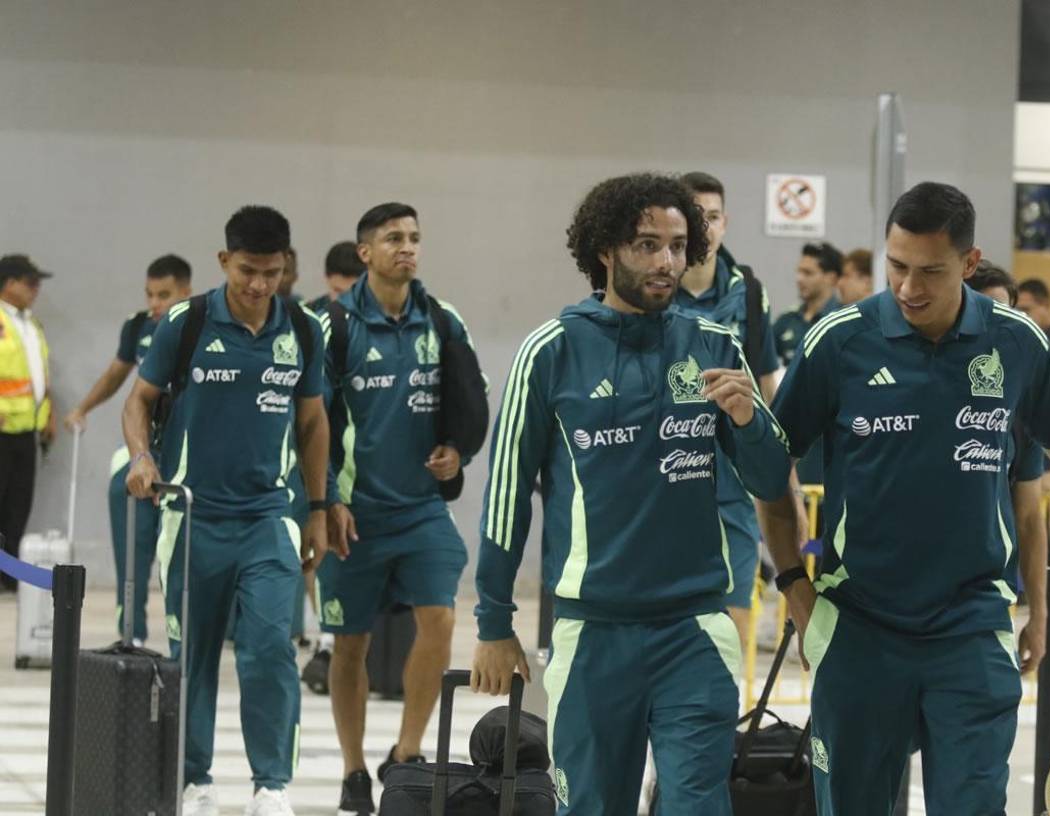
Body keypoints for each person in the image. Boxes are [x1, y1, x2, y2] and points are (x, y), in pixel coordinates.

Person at [759, 181, 1050, 814]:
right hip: (859, 626)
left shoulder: (1016, 342)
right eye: (897, 266)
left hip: (970, 626)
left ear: (968, 262)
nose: (909, 287)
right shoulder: (840, 341)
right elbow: (773, 473)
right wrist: (795, 586)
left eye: (930, 271)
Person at [470, 173, 790, 815]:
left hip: (696, 626)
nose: (666, 261)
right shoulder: (551, 352)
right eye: (647, 244)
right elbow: (507, 495)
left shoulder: (715, 345)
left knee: (698, 804)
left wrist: (750, 421)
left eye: (677, 245)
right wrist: (493, 622)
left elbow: (770, 478)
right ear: (605, 251)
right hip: (593, 632)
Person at [123, 206, 328, 816]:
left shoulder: (304, 329)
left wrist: (316, 508)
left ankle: (271, 784)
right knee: (195, 656)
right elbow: (139, 402)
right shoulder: (185, 323)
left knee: (269, 647)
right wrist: (140, 457)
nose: (260, 285)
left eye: (272, 272)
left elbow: (314, 421)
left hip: (270, 519)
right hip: (191, 519)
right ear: (223, 262)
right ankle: (195, 779)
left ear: (286, 266)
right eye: (247, 271)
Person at [316, 203, 478, 815]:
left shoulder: (441, 319)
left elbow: (468, 402)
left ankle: (406, 756)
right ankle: (354, 769)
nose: (407, 247)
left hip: (420, 512)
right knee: (349, 645)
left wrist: (457, 450)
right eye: (393, 238)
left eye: (414, 237)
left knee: (438, 621)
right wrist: (326, 498)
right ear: (365, 252)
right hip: (351, 514)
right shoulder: (330, 325)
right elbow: (312, 424)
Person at [674, 170, 782, 650]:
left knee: (733, 617)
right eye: (697, 218)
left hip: (733, 483)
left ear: (726, 222)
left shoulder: (751, 293)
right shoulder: (654, 288)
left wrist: (781, 469)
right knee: (676, 618)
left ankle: (725, 718)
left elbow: (765, 387)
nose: (706, 228)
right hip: (668, 474)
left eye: (713, 217)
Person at [65, 254, 192, 640]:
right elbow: (116, 376)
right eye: (150, 294)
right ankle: (131, 633)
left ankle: (187, 634)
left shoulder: (200, 328)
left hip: (187, 454)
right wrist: (82, 408)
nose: (155, 303)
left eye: (164, 294)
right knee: (131, 547)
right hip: (145, 451)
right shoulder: (137, 327)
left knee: (182, 556)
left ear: (186, 291)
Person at [967, 259, 1047, 671]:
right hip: (898, 606)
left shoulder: (1021, 406)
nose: (994, 325)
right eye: (984, 310)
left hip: (986, 604)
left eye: (1006, 313)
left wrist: (1040, 615)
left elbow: (1031, 516)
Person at [0, 255, 54, 591]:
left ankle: (7, 576)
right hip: (1, 429)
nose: (36, 289)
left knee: (18, 506)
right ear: (9, 283)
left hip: (27, 429)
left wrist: (49, 413)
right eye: (30, 282)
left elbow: (39, 375)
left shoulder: (30, 323)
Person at [774, 242, 843, 367]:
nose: (799, 279)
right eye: (799, 272)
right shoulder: (786, 320)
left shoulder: (844, 321)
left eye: (808, 273)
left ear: (831, 278)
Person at [305, 241, 364, 313]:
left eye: (354, 293)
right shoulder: (308, 316)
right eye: (338, 291)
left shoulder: (378, 314)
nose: (347, 301)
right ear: (326, 278)